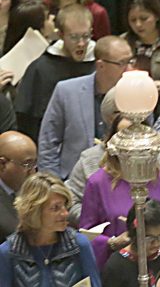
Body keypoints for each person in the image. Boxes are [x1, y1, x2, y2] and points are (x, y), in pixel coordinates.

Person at [80, 114, 160, 269]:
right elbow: (85, 236)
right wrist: (112, 242)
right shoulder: (97, 182)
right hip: (115, 266)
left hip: (155, 264)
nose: (131, 145)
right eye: (125, 136)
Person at [36, 35, 132, 180]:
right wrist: (53, 183)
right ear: (101, 65)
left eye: (130, 61)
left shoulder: (137, 96)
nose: (129, 68)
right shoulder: (66, 91)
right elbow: (48, 142)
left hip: (121, 180)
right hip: (74, 183)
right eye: (122, 63)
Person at [14, 2, 94, 141]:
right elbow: (27, 119)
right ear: (61, 35)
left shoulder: (99, 63)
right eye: (74, 37)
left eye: (86, 36)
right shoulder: (41, 68)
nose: (81, 43)